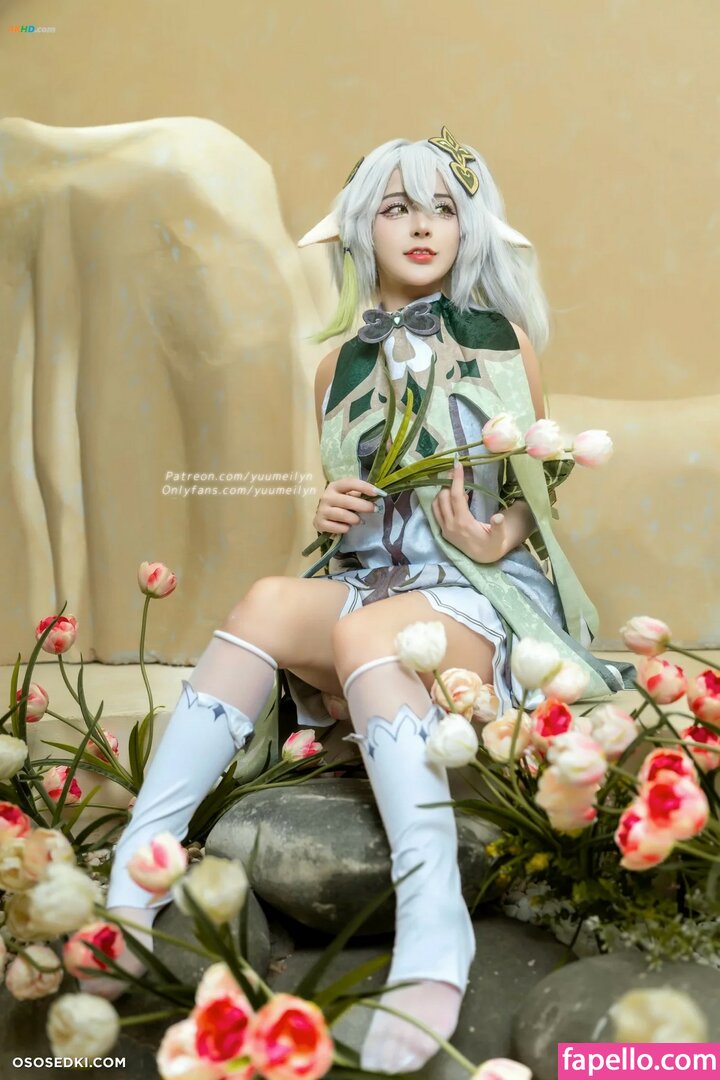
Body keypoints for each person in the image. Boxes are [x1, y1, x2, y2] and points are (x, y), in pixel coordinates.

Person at [85, 129, 636, 1074]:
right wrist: (332, 513)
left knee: (376, 632)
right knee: (266, 600)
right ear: (359, 227)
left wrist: (494, 536)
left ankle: (434, 921)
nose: (422, 227)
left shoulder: (502, 341)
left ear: (469, 227)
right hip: (382, 584)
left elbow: (534, 499)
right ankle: (139, 874)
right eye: (397, 208)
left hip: (482, 596)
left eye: (444, 208)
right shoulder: (334, 365)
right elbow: (362, 521)